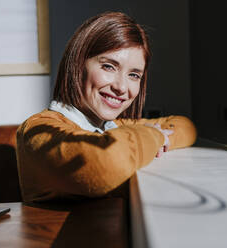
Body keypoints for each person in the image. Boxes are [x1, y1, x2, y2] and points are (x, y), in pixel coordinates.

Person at [16, 12, 197, 202]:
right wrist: (156, 136)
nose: (121, 87)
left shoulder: (112, 125)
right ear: (78, 64)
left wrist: (146, 136)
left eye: (134, 75)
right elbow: (106, 162)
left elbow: (185, 126)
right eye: (109, 66)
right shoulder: (37, 129)